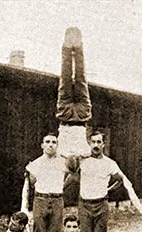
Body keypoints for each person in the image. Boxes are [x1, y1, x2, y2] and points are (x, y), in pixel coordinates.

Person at [76, 130, 142, 232]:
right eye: (92, 142)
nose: (95, 145)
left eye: (98, 142)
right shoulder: (83, 161)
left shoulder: (109, 163)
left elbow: (121, 179)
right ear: (89, 143)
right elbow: (72, 174)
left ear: (103, 144)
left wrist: (108, 190)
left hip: (101, 204)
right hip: (84, 204)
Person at [20, 133, 75, 232]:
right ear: (42, 145)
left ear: (57, 145)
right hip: (40, 200)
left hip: (57, 200)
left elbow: (73, 175)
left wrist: (61, 187)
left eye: (54, 142)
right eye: (47, 142)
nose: (51, 145)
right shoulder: (35, 164)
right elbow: (32, 181)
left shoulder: (63, 162)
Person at [55, 27, 91, 158]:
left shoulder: (60, 154)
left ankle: (67, 48)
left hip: (66, 116)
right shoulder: (84, 154)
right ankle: (77, 48)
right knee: (80, 79)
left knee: (66, 78)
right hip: (80, 117)